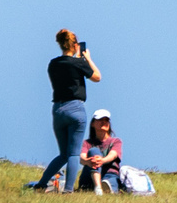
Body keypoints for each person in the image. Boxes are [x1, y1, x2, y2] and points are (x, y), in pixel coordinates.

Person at [30, 29, 99, 192]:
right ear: (75, 46)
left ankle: (41, 184)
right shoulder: (79, 63)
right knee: (74, 154)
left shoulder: (53, 64)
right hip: (76, 108)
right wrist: (87, 59)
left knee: (63, 154)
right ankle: (68, 190)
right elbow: (97, 77)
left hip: (58, 109)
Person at [77, 110, 124, 193]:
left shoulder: (116, 141)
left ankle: (104, 187)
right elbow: (82, 157)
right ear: (93, 124)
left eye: (106, 120)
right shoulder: (87, 143)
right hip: (89, 176)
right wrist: (88, 161)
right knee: (94, 150)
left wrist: (102, 160)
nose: (103, 122)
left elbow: (113, 155)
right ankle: (98, 187)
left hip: (109, 174)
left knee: (110, 183)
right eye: (100, 120)